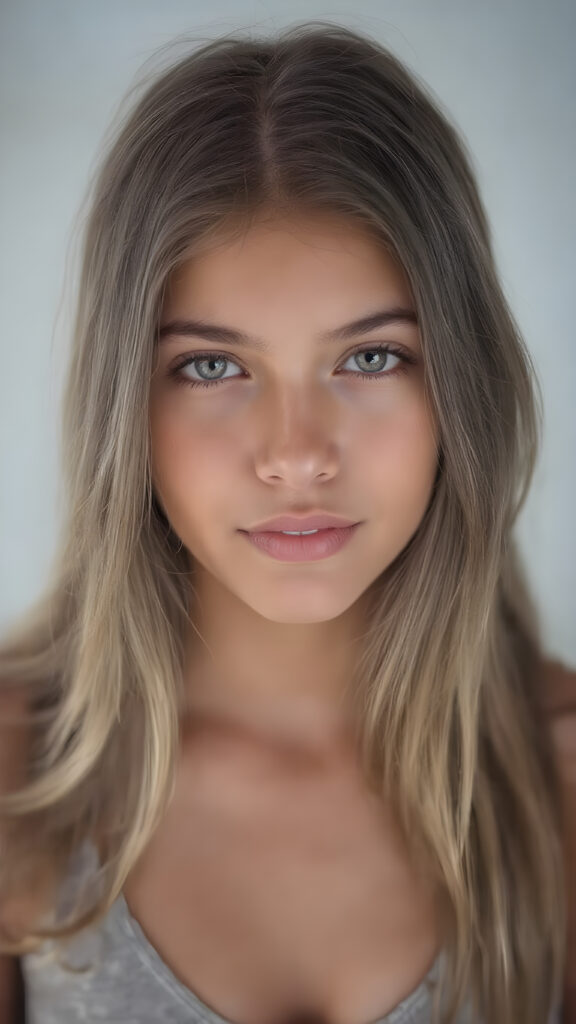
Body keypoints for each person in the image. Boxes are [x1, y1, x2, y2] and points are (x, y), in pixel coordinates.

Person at [0, 20, 574, 1024]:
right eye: (213, 366)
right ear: (126, 402)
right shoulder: (14, 780)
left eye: (371, 357)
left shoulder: (559, 779)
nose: (299, 452)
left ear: (460, 383)